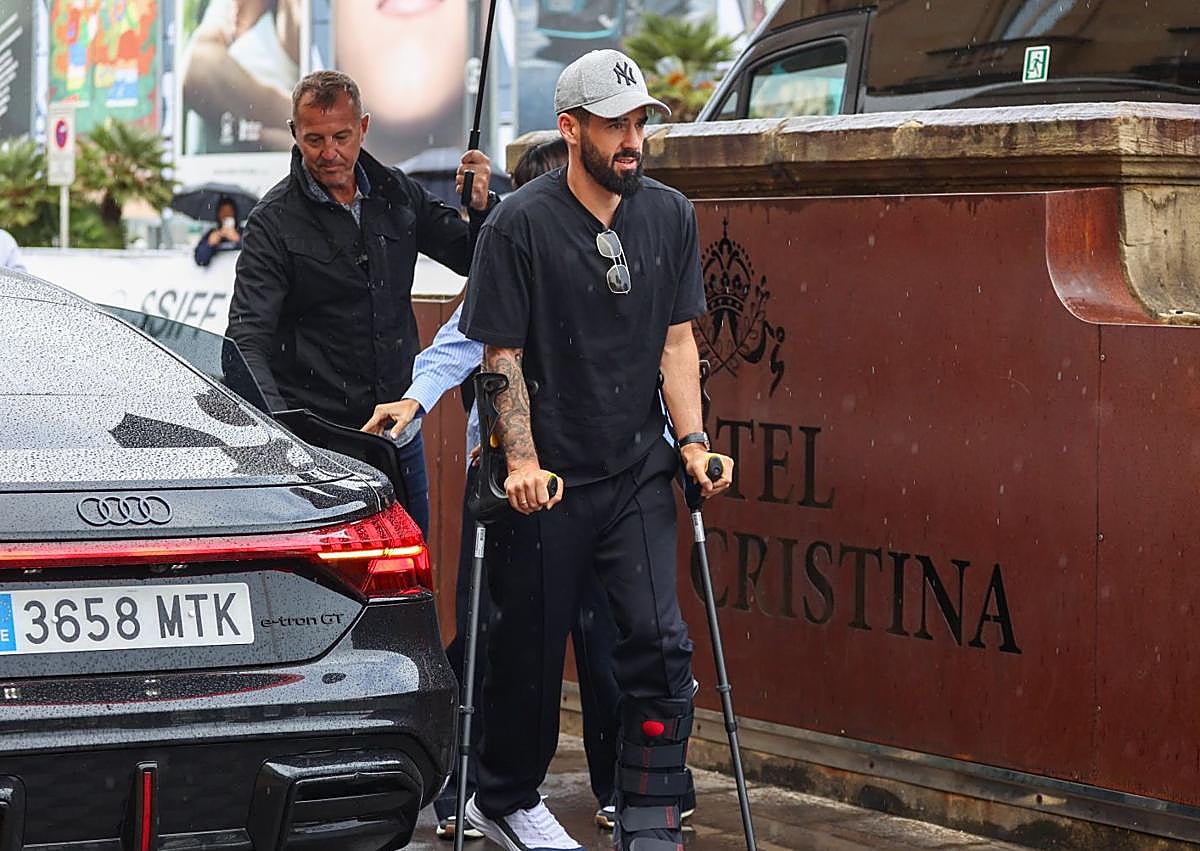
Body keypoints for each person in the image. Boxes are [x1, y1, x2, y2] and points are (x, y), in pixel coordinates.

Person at [457, 49, 733, 851]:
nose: (632, 140)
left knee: (658, 643)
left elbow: (677, 342)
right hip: (546, 475)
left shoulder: (670, 215)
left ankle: (648, 811)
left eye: (640, 121)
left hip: (636, 468)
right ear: (571, 128)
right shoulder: (520, 223)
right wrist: (519, 462)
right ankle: (504, 795)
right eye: (615, 124)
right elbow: (499, 357)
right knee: (532, 659)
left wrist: (692, 440)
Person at [365, 138, 648, 841]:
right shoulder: (515, 242)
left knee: (608, 633)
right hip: (512, 485)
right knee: (496, 640)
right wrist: (416, 401)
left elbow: (651, 352)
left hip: (598, 484)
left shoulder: (621, 247)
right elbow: (458, 344)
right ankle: (469, 787)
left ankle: (625, 784)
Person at [227, 70, 494, 538]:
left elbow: (473, 255)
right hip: (317, 446)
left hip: (397, 435)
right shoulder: (271, 222)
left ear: (364, 128)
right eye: (314, 139)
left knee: (413, 580)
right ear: (294, 134)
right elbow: (247, 338)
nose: (330, 153)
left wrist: (481, 205)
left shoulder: (397, 192)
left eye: (341, 136)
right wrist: (280, 440)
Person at [193, 197, 242, 267]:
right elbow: (200, 260)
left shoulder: (244, 232)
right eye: (223, 211)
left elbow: (254, 254)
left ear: (234, 213)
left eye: (229, 211)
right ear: (218, 214)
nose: (226, 214)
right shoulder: (212, 233)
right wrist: (209, 244)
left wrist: (239, 240)